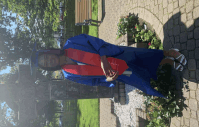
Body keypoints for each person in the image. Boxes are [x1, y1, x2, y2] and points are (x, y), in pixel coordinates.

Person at [30, 34, 187, 99]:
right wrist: (108, 78)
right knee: (141, 76)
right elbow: (93, 82)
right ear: (48, 68)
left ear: (49, 53)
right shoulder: (68, 74)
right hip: (117, 71)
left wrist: (104, 59)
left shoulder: (71, 44)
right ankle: (169, 62)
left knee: (144, 56)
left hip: (115, 55)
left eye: (46, 58)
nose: (49, 61)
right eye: (45, 64)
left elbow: (95, 42)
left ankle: (171, 53)